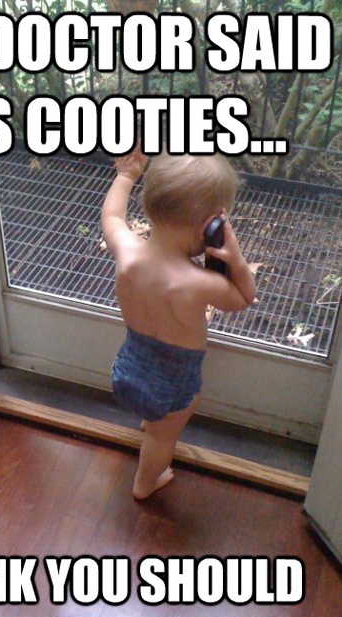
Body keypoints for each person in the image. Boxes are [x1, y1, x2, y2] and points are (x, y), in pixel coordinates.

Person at [101, 146, 257, 500]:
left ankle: (147, 417)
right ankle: (145, 483)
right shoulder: (199, 283)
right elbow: (245, 297)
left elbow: (111, 216)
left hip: (127, 368)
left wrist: (126, 175)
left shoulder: (127, 250)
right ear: (210, 228)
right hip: (175, 386)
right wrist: (234, 256)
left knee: (153, 416)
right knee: (161, 439)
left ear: (149, 205)